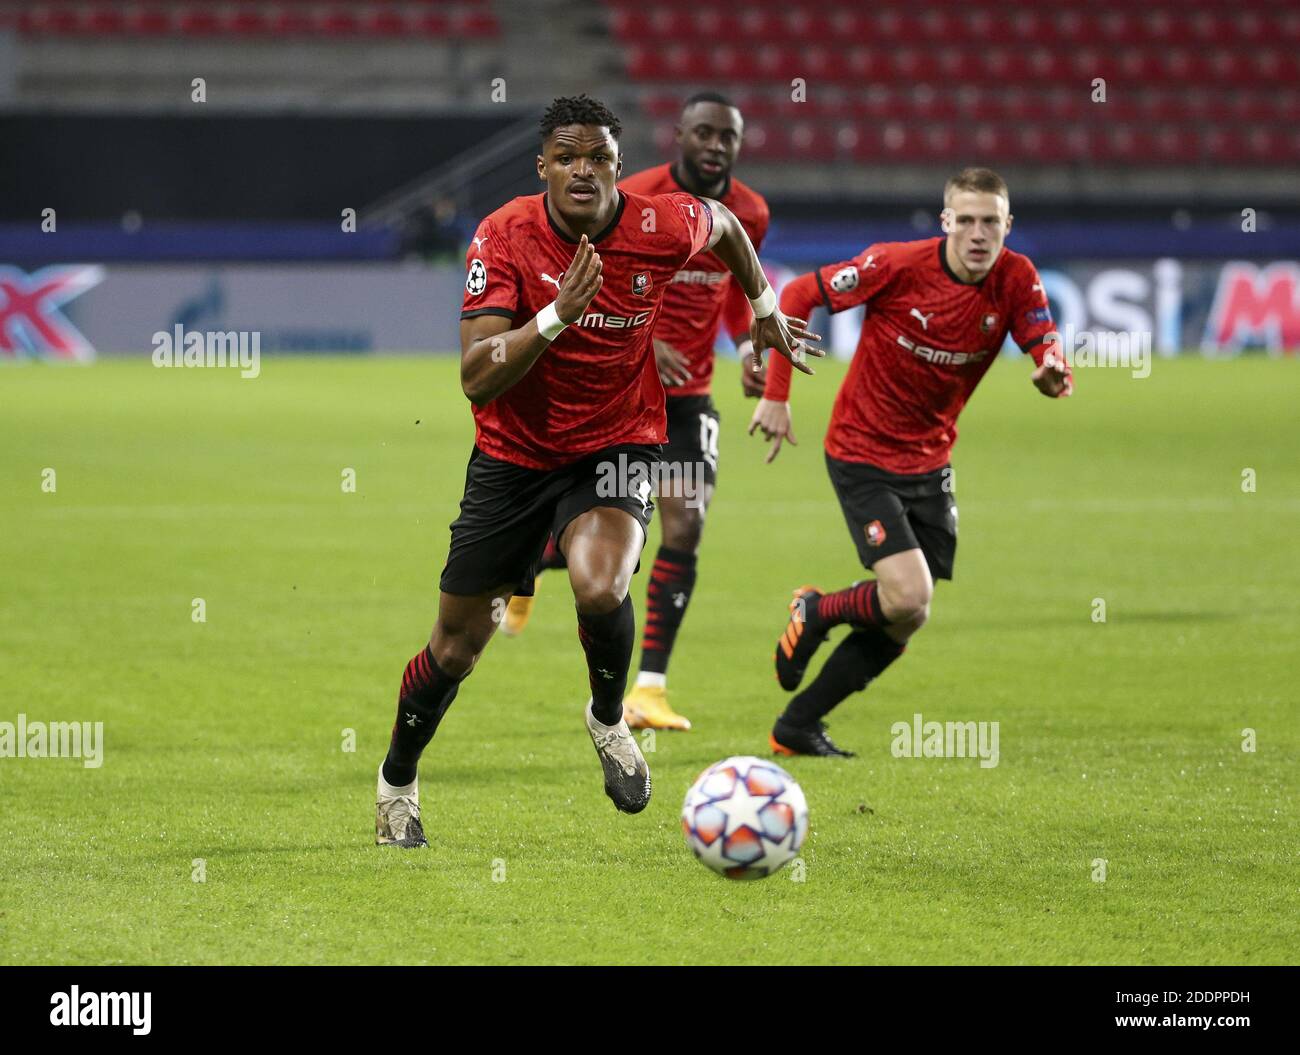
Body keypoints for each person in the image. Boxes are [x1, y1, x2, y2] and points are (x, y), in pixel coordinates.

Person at [375, 94, 819, 846]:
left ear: (619, 166)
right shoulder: (505, 235)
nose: (584, 169)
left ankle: (610, 718)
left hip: (618, 441)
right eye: (568, 157)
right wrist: (554, 318)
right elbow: (477, 376)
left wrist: (764, 304)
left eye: (599, 157)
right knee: (455, 647)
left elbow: (729, 228)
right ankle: (396, 781)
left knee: (601, 582)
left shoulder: (659, 223)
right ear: (543, 164)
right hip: (513, 456)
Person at [750, 167, 1071, 757]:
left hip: (931, 459)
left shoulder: (1016, 278)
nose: (978, 234)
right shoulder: (897, 265)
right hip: (861, 449)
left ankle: (797, 725)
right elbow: (797, 295)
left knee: (906, 617)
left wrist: (1053, 371)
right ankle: (816, 610)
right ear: (946, 220)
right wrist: (776, 394)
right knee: (905, 595)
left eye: (990, 222)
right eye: (967, 220)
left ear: (1008, 225)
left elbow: (1044, 343)